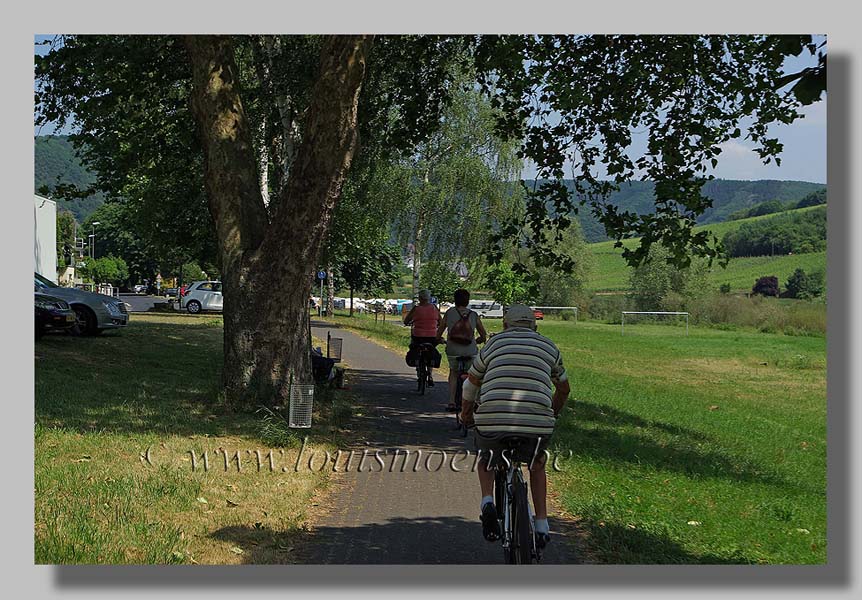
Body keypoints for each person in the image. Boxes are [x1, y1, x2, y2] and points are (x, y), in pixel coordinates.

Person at [459, 304, 570, 549]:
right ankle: (541, 524)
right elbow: (564, 388)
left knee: (486, 456)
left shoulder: (493, 345)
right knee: (537, 463)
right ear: (535, 326)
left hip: (493, 419)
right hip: (537, 422)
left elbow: (471, 385)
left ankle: (487, 501)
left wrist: (466, 414)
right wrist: (552, 412)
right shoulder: (549, 346)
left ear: (505, 325)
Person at [437, 288, 487, 412]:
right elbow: (483, 335)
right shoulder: (474, 315)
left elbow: (440, 330)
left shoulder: (449, 313)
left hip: (453, 350)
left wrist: (439, 339)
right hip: (470, 351)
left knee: (453, 373)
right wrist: (477, 340)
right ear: (468, 301)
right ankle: (474, 401)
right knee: (473, 375)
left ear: (455, 300)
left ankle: (452, 401)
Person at [403, 289, 442, 386]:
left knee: (414, 346)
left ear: (420, 298)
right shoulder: (434, 308)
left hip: (418, 336)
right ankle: (430, 374)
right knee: (431, 350)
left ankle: (417, 363)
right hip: (432, 337)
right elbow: (441, 322)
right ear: (429, 298)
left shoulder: (416, 309)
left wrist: (408, 322)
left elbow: (406, 320)